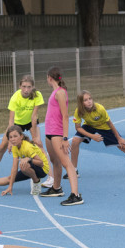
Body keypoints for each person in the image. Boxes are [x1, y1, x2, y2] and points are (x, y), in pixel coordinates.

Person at [69, 90, 125, 178]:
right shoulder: (79, 111)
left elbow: (110, 123)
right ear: (81, 103)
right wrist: (92, 136)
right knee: (75, 140)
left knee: (123, 145)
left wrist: (119, 138)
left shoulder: (100, 108)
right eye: (85, 100)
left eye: (90, 98)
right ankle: (74, 170)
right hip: (89, 126)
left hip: (105, 127)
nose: (89, 101)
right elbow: (78, 128)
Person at [0, 75, 44, 179]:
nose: (26, 90)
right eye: (24, 86)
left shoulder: (37, 95)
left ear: (33, 87)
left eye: (29, 87)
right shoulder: (15, 97)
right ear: (20, 86)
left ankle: (49, 176)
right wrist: (10, 140)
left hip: (31, 121)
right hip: (17, 122)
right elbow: (11, 120)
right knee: (2, 146)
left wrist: (35, 137)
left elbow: (34, 117)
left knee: (38, 144)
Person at [40, 66, 83, 205]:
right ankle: (56, 188)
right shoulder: (55, 92)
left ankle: (75, 195)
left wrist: (65, 138)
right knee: (55, 161)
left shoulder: (60, 93)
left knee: (66, 163)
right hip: (49, 132)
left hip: (57, 133)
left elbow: (65, 116)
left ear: (49, 78)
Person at [0, 125, 49, 196]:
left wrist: (29, 159)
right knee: (11, 178)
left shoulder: (27, 147)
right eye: (10, 137)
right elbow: (14, 168)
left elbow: (41, 163)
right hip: (30, 167)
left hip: (43, 169)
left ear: (21, 136)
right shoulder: (15, 147)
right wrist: (10, 186)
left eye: (15, 136)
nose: (13, 139)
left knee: (23, 164)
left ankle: (36, 182)